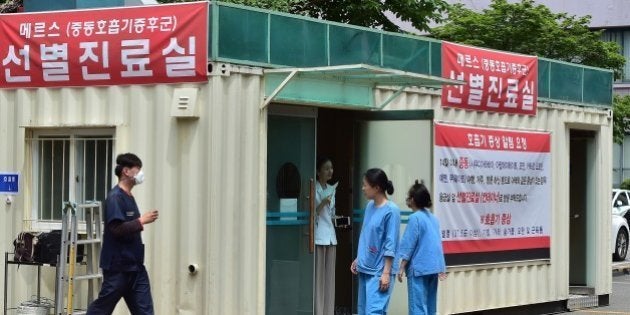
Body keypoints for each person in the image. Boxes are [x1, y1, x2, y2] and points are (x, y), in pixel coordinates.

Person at [87, 153, 159, 315]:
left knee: (145, 312)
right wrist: (141, 221)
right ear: (126, 171)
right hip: (117, 269)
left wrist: (140, 222)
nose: (141, 174)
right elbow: (116, 229)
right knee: (101, 310)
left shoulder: (129, 196)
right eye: (138, 169)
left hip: (136, 267)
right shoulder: (115, 198)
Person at [350, 168, 401, 315]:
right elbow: (366, 235)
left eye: (365, 185)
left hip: (380, 271)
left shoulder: (392, 211)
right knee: (362, 311)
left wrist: (386, 273)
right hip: (365, 267)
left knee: (374, 312)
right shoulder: (369, 206)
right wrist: (359, 258)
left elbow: (390, 243)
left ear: (377, 187)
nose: (362, 188)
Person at [396, 180, 446, 315]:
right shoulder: (434, 218)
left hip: (418, 269)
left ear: (412, 200)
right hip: (433, 268)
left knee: (417, 308)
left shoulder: (415, 218)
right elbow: (437, 244)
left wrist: (401, 267)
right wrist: (442, 267)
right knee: (430, 307)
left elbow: (409, 245)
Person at [314, 156, 338, 315]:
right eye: (326, 168)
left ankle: (328, 311)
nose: (330, 171)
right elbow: (312, 212)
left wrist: (340, 219)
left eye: (331, 168)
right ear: (318, 171)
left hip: (331, 237)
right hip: (317, 237)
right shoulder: (313, 188)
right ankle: (318, 310)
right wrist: (323, 201)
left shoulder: (332, 188)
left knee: (329, 279)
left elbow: (332, 214)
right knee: (318, 279)